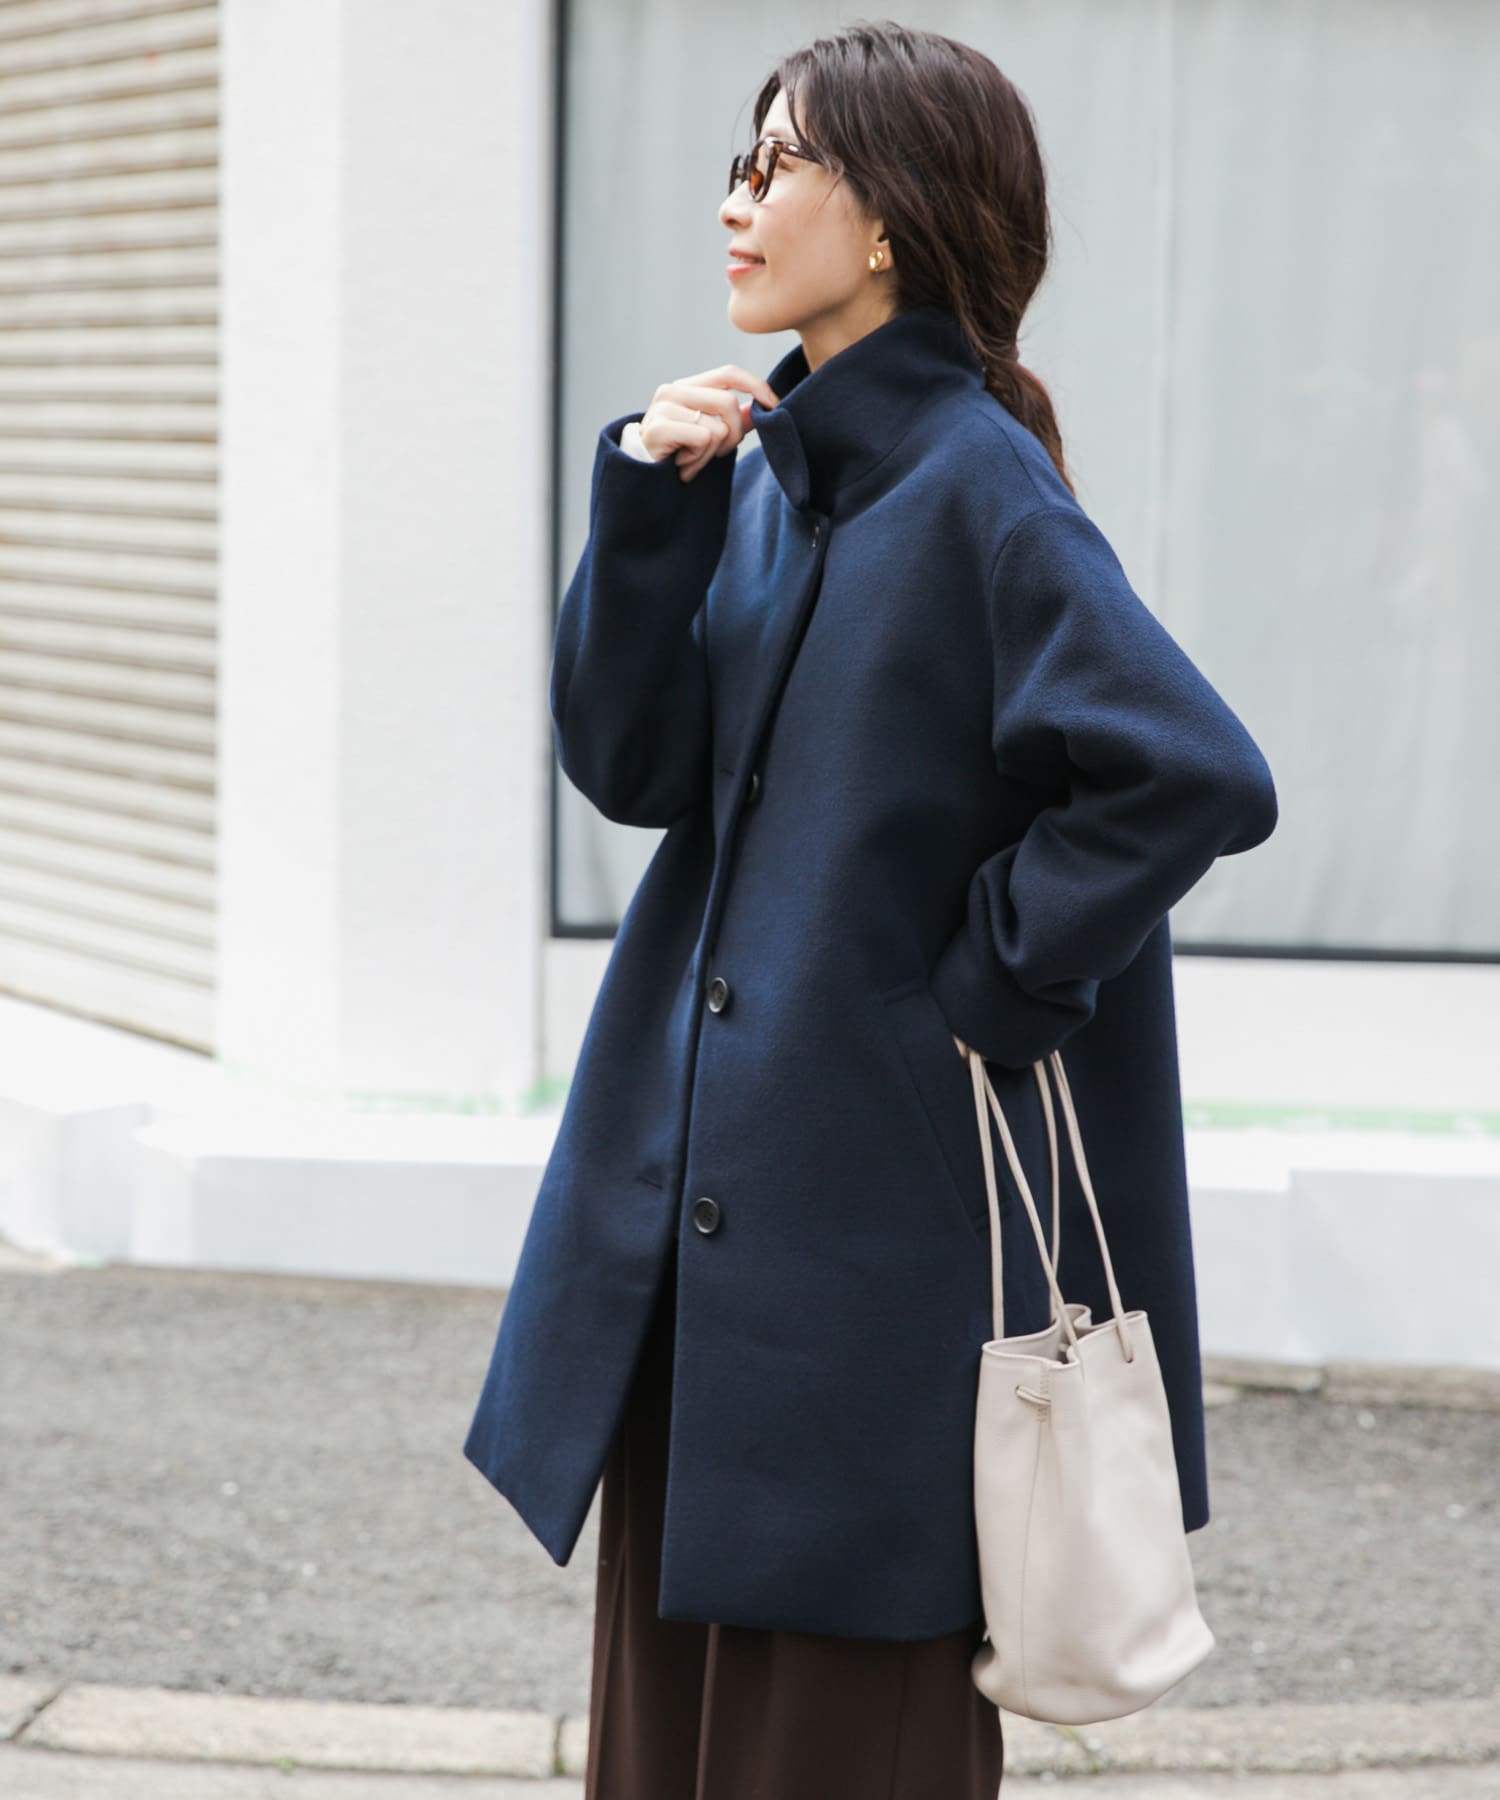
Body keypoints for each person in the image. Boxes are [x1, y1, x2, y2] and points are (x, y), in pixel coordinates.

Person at [464, 22, 1279, 1800]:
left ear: (893, 220)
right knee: (676, 1738)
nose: (736, 202)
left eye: (779, 166)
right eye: (738, 163)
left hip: (875, 1263)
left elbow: (1192, 770)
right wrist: (649, 511)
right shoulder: (773, 473)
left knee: (837, 1736)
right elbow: (630, 768)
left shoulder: (978, 486)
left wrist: (985, 985)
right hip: (708, 1251)